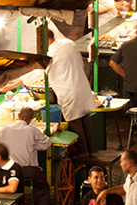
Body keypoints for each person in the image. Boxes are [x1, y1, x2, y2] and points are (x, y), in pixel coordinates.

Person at [0, 107, 53, 205]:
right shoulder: (32, 130)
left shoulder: (6, 129)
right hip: (28, 170)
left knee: (14, 190)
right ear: (31, 119)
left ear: (18, 117)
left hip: (9, 171)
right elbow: (47, 143)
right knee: (43, 191)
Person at [46, 29, 97, 157]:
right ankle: (90, 150)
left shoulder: (50, 53)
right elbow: (80, 62)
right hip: (81, 86)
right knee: (85, 119)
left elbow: (41, 72)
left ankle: (83, 153)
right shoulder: (69, 43)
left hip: (68, 91)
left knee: (75, 122)